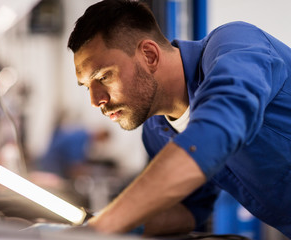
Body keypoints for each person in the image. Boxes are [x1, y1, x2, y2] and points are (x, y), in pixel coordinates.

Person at [67, 0, 291, 237]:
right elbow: (189, 209)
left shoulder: (237, 44)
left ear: (150, 55)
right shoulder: (156, 131)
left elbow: (216, 132)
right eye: (86, 86)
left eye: (103, 76)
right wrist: (108, 225)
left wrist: (102, 227)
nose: (95, 100)